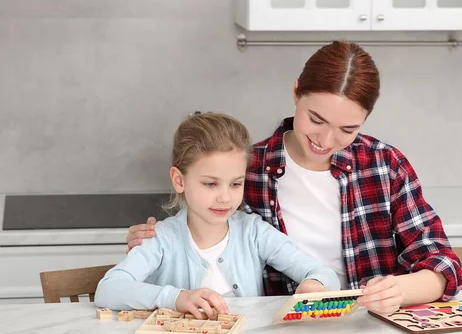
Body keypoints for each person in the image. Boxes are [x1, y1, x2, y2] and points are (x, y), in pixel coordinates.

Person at [126, 41, 462, 315]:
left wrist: (401, 290)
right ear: (296, 93)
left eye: (348, 129)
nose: (326, 140)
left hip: (374, 327)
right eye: (316, 119)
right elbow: (200, 236)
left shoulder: (383, 164)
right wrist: (155, 243)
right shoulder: (249, 170)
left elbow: (444, 264)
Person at [95, 113, 340, 319]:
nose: (225, 197)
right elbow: (108, 290)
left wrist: (315, 285)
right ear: (179, 180)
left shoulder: (253, 232)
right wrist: (177, 298)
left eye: (235, 184)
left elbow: (324, 274)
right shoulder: (161, 239)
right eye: (211, 184)